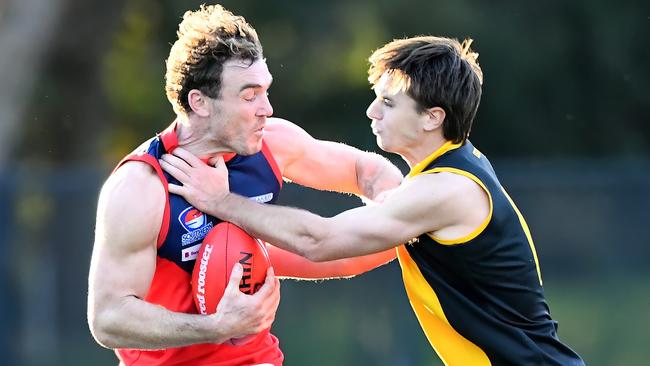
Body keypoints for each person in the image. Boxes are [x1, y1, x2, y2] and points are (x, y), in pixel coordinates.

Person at [162, 36, 586, 365]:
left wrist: (221, 201)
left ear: (431, 117)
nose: (371, 112)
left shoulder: (446, 191)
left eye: (388, 102)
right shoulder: (450, 168)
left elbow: (321, 240)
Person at [87, 4, 402, 366]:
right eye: (249, 95)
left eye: (266, 91)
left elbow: (366, 171)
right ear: (199, 102)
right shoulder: (141, 186)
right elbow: (108, 318)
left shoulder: (272, 142)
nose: (266, 108)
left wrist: (401, 206)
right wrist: (216, 326)